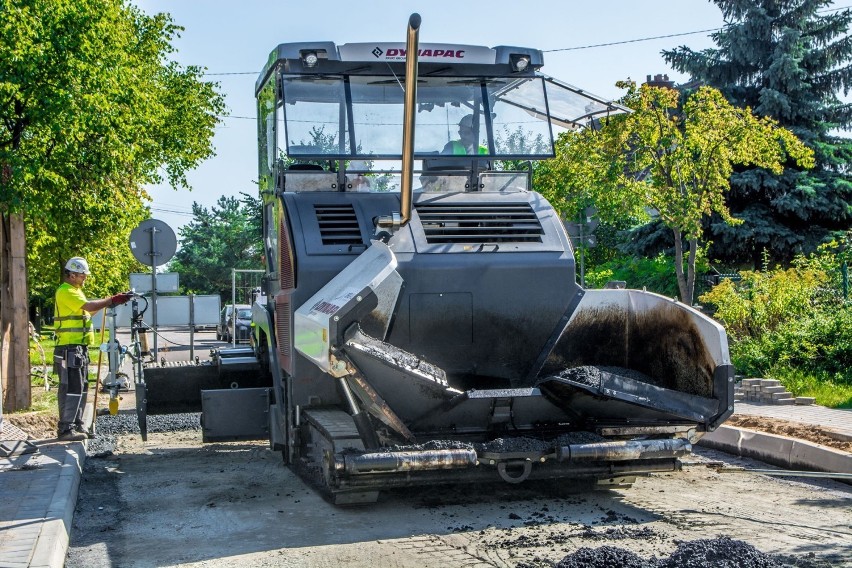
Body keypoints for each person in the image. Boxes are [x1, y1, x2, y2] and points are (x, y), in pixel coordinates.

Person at [53, 257, 132, 441]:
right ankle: (66, 428)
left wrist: (110, 302)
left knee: (80, 387)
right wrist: (111, 300)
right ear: (72, 274)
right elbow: (89, 306)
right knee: (71, 388)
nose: (85, 278)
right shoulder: (66, 291)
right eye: (82, 275)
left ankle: (77, 424)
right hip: (68, 347)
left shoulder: (75, 291)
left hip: (77, 348)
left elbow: (87, 311)